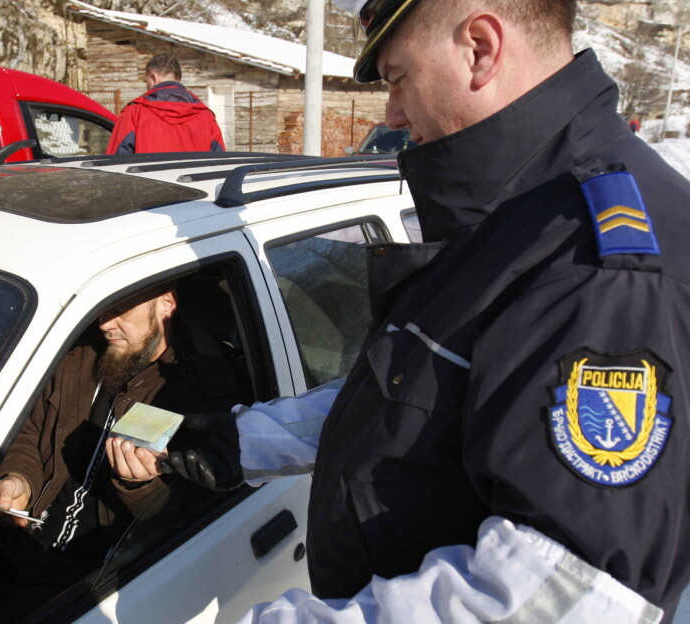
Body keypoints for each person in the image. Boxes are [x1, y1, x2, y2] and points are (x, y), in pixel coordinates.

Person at [110, 1, 690, 622]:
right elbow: (418, 397)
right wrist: (242, 439)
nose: (390, 113)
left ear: (480, 48)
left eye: (396, 79)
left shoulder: (597, 264)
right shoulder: (516, 214)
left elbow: (564, 596)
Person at [0, 282, 238, 621]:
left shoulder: (201, 393)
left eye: (119, 309)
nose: (104, 324)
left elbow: (191, 519)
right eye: (103, 308)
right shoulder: (81, 356)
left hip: (95, 571)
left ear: (165, 304)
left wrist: (140, 486)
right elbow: (34, 428)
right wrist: (18, 479)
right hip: (21, 534)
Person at [105, 54, 226, 154]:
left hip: (146, 183)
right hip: (191, 184)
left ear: (153, 77)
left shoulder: (134, 112)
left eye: (145, 81)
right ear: (177, 78)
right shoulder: (206, 117)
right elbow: (219, 165)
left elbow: (115, 164)